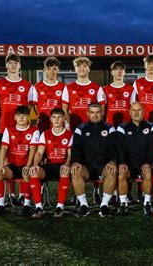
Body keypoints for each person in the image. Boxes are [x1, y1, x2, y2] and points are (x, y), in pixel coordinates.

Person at [0, 53, 35, 205]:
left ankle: (23, 194)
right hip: (5, 129)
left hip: (24, 129)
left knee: (22, 158)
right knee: (7, 161)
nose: (12, 65)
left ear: (19, 65)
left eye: (15, 62)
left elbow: (29, 108)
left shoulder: (28, 85)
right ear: (6, 65)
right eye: (10, 62)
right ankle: (11, 194)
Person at [62, 56, 103, 204]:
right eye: (79, 66)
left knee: (95, 158)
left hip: (94, 131)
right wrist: (72, 126)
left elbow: (101, 110)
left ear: (89, 69)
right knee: (77, 161)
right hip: (76, 132)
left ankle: (96, 192)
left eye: (85, 66)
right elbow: (65, 110)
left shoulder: (97, 88)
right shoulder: (69, 87)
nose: (82, 69)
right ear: (75, 69)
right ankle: (76, 195)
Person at [0, 106, 40, 217]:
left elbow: (33, 149)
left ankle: (26, 206)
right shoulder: (8, 129)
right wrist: (1, 166)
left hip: (26, 166)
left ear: (28, 117)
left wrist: (28, 165)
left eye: (24, 115)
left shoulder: (34, 130)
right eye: (19, 115)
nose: (21, 117)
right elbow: (3, 149)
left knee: (27, 174)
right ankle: (1, 207)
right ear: (15, 117)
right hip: (12, 166)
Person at [70, 103, 118, 217]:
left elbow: (114, 148)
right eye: (92, 112)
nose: (95, 115)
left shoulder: (109, 128)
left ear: (102, 113)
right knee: (75, 170)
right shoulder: (80, 128)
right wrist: (75, 161)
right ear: (88, 113)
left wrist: (113, 161)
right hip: (87, 166)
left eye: (98, 112)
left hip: (104, 165)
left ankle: (104, 205)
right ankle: (84, 206)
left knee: (112, 170)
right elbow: (75, 148)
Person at [29, 108, 73, 218]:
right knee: (34, 172)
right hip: (49, 166)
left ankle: (59, 207)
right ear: (51, 119)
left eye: (59, 117)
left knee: (64, 172)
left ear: (63, 119)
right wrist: (35, 164)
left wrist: (67, 164)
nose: (56, 119)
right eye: (54, 117)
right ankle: (39, 208)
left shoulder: (70, 134)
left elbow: (71, 154)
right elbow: (39, 152)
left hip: (63, 165)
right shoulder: (45, 134)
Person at [116, 102, 153, 215]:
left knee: (148, 173)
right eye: (133, 110)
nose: (136, 112)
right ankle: (123, 204)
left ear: (144, 112)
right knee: (121, 173)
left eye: (139, 110)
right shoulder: (122, 127)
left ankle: (147, 204)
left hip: (144, 163)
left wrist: (148, 163)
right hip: (128, 164)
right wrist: (122, 163)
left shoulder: (152, 127)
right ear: (129, 113)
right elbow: (120, 148)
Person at [32, 57, 66, 132]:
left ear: (58, 70)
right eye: (49, 69)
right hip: (43, 124)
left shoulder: (63, 87)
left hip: (58, 126)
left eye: (54, 69)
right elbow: (35, 105)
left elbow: (65, 107)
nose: (52, 71)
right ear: (44, 70)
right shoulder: (37, 86)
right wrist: (40, 117)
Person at [98, 61, 136, 127]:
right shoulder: (104, 89)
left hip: (126, 125)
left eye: (121, 69)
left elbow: (133, 108)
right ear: (112, 72)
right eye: (116, 69)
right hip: (109, 125)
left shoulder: (131, 89)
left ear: (124, 72)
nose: (119, 71)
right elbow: (102, 110)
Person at [132, 55, 153, 127]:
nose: (151, 66)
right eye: (148, 64)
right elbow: (133, 103)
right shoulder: (137, 83)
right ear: (145, 66)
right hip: (141, 121)